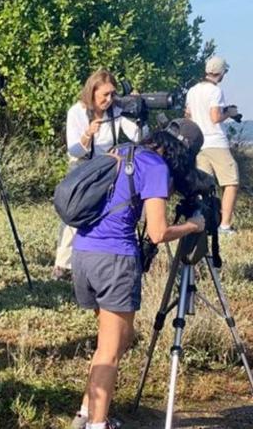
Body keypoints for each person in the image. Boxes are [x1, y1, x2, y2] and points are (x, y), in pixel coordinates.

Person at [68, 119, 205, 429]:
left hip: (83, 253)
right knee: (111, 350)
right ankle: (98, 424)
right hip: (114, 259)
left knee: (112, 340)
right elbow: (157, 232)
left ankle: (85, 414)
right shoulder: (155, 166)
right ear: (182, 154)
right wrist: (194, 226)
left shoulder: (121, 150)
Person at [52, 70, 144, 281]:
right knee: (73, 213)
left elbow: (139, 136)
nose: (109, 99)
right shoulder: (77, 112)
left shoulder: (116, 111)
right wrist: (87, 134)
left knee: (103, 213)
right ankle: (62, 264)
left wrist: (136, 111)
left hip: (107, 169)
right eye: (104, 95)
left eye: (112, 94)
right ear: (92, 92)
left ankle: (93, 258)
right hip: (81, 168)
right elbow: (74, 150)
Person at [185, 56, 240, 235]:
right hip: (215, 141)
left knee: (204, 185)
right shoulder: (215, 91)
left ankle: (200, 221)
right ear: (221, 72)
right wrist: (229, 113)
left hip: (198, 143)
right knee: (231, 181)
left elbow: (188, 116)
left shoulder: (192, 91)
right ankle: (224, 225)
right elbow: (215, 117)